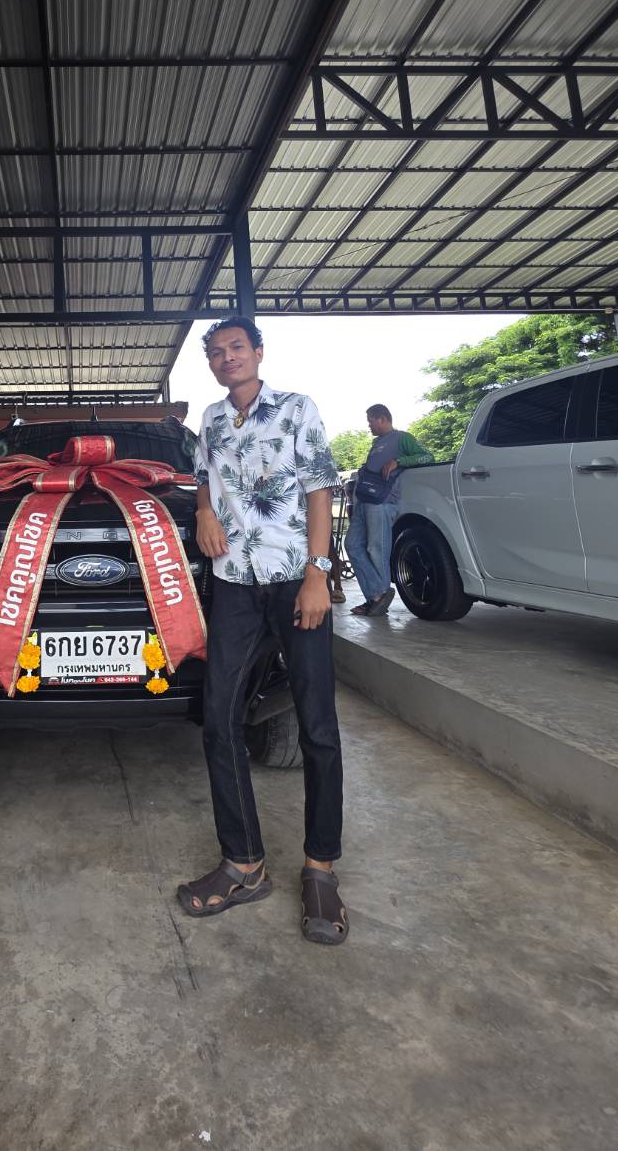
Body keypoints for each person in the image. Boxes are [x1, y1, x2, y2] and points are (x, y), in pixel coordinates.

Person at [178, 316, 349, 946]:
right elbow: (204, 478)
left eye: (236, 348)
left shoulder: (297, 409)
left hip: (293, 580)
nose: (227, 359)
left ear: (257, 352)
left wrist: (318, 574)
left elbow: (320, 489)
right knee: (219, 717)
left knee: (316, 724)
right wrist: (203, 512)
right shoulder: (211, 420)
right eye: (217, 353)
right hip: (234, 584)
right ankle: (244, 863)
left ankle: (320, 869)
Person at [345, 404, 433, 616]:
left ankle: (376, 598)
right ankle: (378, 593)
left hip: (382, 501)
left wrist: (399, 461)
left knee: (377, 549)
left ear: (382, 419)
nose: (369, 425)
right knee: (352, 545)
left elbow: (427, 456)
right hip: (363, 501)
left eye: (371, 421)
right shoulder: (376, 443)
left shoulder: (403, 438)